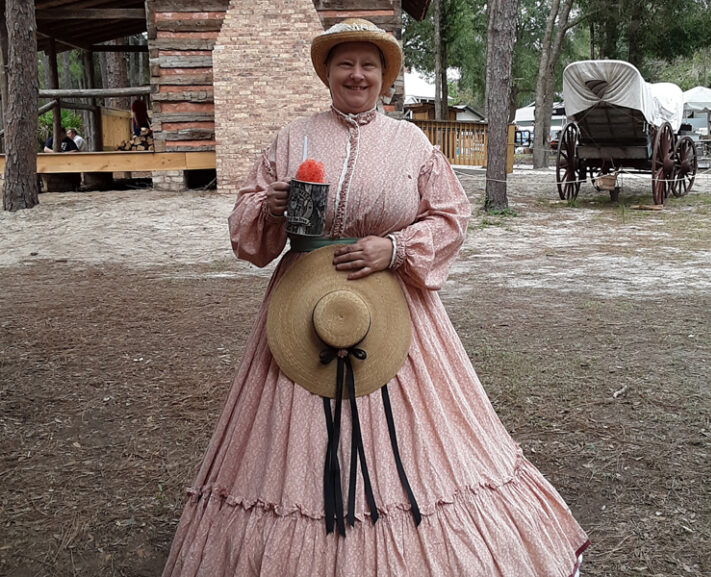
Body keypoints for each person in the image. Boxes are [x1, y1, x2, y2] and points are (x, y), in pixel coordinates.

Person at [162, 19, 588, 577]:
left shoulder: (411, 143)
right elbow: (246, 234)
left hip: (396, 312)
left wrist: (393, 248)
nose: (356, 74)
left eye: (369, 65)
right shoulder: (292, 138)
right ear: (327, 72)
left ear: (385, 77)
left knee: (424, 447)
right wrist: (268, 207)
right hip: (302, 311)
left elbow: (451, 219)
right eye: (345, 63)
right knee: (291, 443)